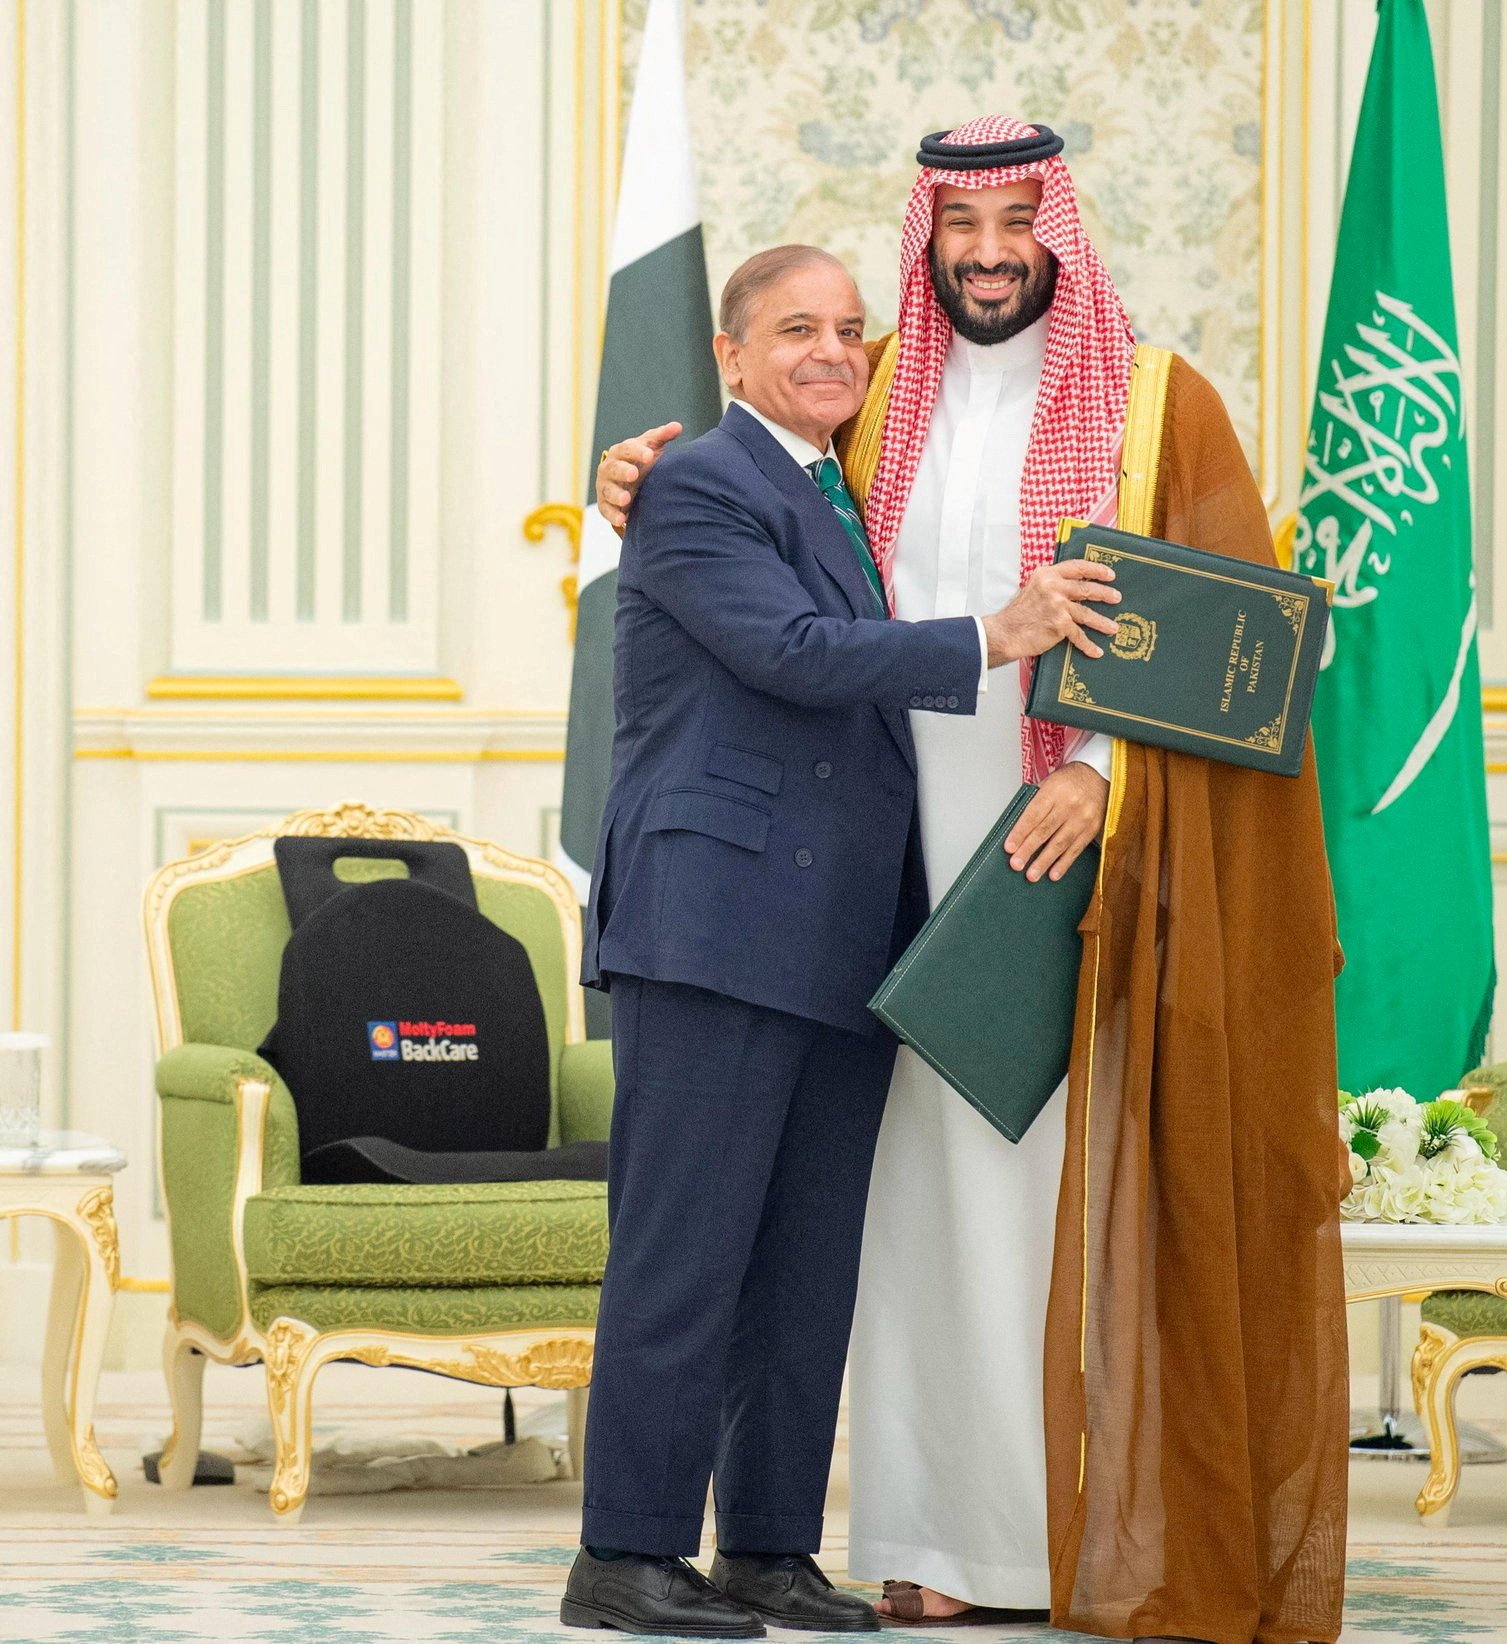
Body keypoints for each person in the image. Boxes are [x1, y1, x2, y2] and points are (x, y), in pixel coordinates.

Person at [599, 118, 1348, 1644]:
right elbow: (763, 555)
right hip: (848, 881)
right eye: (962, 226)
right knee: (894, 1217)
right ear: (925, 238)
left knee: (1044, 1193)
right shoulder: (874, 413)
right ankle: (922, 1537)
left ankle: (1079, 1535)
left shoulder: (1159, 407)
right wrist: (637, 471)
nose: (991, 252)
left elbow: (1261, 653)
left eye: (1019, 223)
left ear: (1058, 235)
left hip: (1061, 852)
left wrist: (1104, 775)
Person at [565, 241, 1121, 1641]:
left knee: (806, 1267)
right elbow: (796, 654)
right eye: (796, 328)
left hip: (835, 938)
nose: (831, 350)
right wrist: (996, 636)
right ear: (733, 356)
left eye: (852, 331)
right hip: (715, 927)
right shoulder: (699, 481)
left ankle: (764, 1548)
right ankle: (625, 1557)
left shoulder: (834, 487)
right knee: (684, 1256)